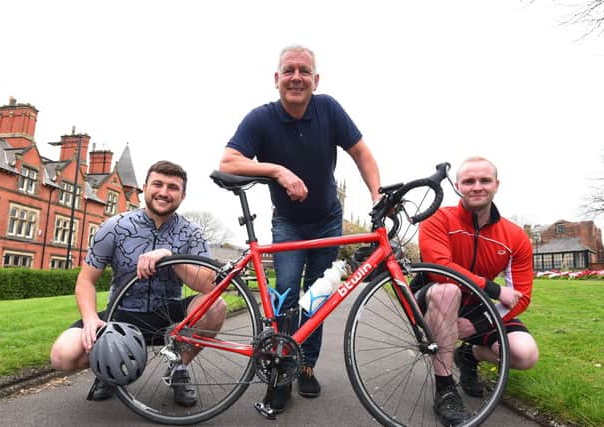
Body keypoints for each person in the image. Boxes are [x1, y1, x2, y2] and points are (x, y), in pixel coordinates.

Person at [219, 45, 381, 412]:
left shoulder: (329, 109)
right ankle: (280, 370)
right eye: (289, 70)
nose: (296, 77)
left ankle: (305, 365)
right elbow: (228, 159)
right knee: (288, 295)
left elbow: (362, 153)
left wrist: (376, 198)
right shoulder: (261, 119)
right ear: (277, 79)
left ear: (315, 80)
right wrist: (276, 170)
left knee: (319, 297)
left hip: (327, 219)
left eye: (304, 71)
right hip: (288, 222)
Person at [50, 160, 226, 406]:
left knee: (216, 305)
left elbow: (209, 285)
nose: (164, 192)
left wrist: (170, 257)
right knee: (62, 356)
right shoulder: (115, 227)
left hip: (170, 317)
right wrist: (90, 319)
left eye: (173, 187)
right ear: (145, 187)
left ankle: (178, 368)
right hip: (122, 316)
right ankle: (107, 369)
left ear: (183, 196)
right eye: (158, 184)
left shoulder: (191, 233)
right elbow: (85, 281)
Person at [415, 156, 539, 426]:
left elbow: (521, 296)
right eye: (469, 181)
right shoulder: (438, 218)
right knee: (447, 291)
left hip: (480, 308)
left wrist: (478, 323)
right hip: (434, 295)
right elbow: (440, 269)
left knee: (525, 354)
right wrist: (493, 288)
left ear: (497, 185)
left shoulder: (515, 236)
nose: (477, 187)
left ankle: (467, 356)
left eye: (485, 180)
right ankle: (445, 387)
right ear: (458, 186)